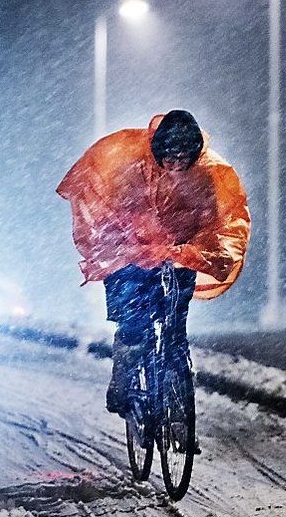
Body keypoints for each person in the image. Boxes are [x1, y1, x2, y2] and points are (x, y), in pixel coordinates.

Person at [57, 110, 250, 416]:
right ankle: (123, 381)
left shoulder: (205, 178)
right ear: (157, 153)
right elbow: (112, 218)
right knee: (132, 327)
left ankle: (180, 402)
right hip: (133, 258)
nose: (175, 165)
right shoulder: (132, 171)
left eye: (182, 159)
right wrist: (128, 248)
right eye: (169, 158)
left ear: (194, 155)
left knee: (175, 331)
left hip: (177, 259)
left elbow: (212, 224)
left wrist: (193, 252)